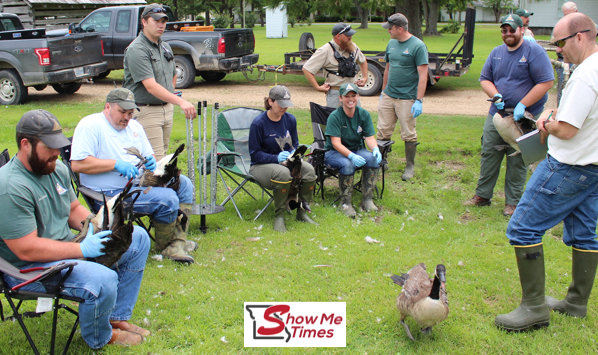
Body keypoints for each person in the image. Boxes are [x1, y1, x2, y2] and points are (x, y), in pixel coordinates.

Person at [0, 110, 150, 348]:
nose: (56, 153)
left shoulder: (55, 169)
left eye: (58, 146)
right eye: (49, 147)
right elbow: (26, 250)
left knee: (137, 238)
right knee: (103, 278)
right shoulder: (10, 186)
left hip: (66, 247)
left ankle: (115, 318)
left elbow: (72, 209)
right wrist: (82, 250)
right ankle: (101, 336)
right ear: (25, 144)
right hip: (29, 269)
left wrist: (96, 225)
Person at [495, 13, 598, 332]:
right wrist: (558, 114)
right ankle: (577, 303)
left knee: (522, 228)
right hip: (593, 166)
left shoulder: (584, 76)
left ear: (580, 37)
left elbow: (566, 131)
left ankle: (534, 308)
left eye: (561, 43)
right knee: (585, 233)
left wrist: (545, 123)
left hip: (568, 165)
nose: (558, 50)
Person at [70, 88, 197, 264]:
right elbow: (77, 164)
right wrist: (114, 164)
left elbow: (149, 155)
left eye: (130, 113)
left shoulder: (134, 126)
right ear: (108, 107)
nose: (127, 117)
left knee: (184, 183)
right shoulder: (90, 125)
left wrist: (152, 162)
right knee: (167, 198)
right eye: (122, 112)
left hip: (138, 183)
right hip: (111, 195)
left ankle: (177, 242)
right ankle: (167, 247)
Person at [463, 14, 554, 217]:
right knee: (489, 153)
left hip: (524, 115)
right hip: (497, 114)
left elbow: (546, 82)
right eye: (504, 30)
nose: (508, 33)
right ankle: (482, 196)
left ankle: (512, 203)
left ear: (522, 29)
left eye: (512, 29)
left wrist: (523, 104)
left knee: (519, 157)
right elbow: (485, 78)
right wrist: (494, 94)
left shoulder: (534, 52)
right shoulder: (496, 53)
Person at [123, 3, 197, 161]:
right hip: (146, 111)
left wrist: (169, 100)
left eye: (163, 21)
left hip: (165, 109)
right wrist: (180, 102)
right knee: (153, 161)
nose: (161, 24)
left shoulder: (165, 47)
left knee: (163, 157)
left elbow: (173, 74)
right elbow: (150, 86)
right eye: (156, 20)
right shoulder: (137, 49)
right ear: (144, 22)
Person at [248, 85, 318, 232]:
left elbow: (294, 143)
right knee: (283, 173)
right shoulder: (258, 123)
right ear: (270, 101)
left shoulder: (290, 119)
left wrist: (295, 153)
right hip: (261, 166)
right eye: (281, 104)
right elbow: (254, 154)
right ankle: (279, 216)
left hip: (286, 162)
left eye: (287, 105)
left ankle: (302, 212)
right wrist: (276, 157)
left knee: (310, 171)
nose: (284, 108)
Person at [377, 13, 429, 181]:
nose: (388, 31)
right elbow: (388, 68)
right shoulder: (391, 44)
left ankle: (409, 165)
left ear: (400, 28)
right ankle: (381, 161)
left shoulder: (417, 46)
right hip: (388, 95)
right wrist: (383, 91)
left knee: (408, 133)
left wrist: (419, 100)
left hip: (407, 98)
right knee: (383, 129)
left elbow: (423, 75)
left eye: (390, 28)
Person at [324, 83, 382, 218]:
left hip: (356, 149)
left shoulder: (363, 114)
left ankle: (367, 200)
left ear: (358, 96)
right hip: (334, 152)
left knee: (372, 158)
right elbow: (336, 143)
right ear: (340, 98)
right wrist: (351, 156)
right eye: (347, 96)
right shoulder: (335, 116)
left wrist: (376, 149)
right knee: (348, 163)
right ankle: (346, 204)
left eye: (353, 95)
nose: (351, 99)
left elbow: (369, 137)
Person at [302, 23, 368, 108]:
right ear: (338, 36)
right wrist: (317, 87)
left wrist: (365, 77)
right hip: (336, 93)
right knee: (335, 120)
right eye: (347, 35)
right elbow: (307, 69)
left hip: (353, 92)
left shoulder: (352, 46)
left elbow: (363, 60)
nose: (350, 37)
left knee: (355, 120)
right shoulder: (325, 50)